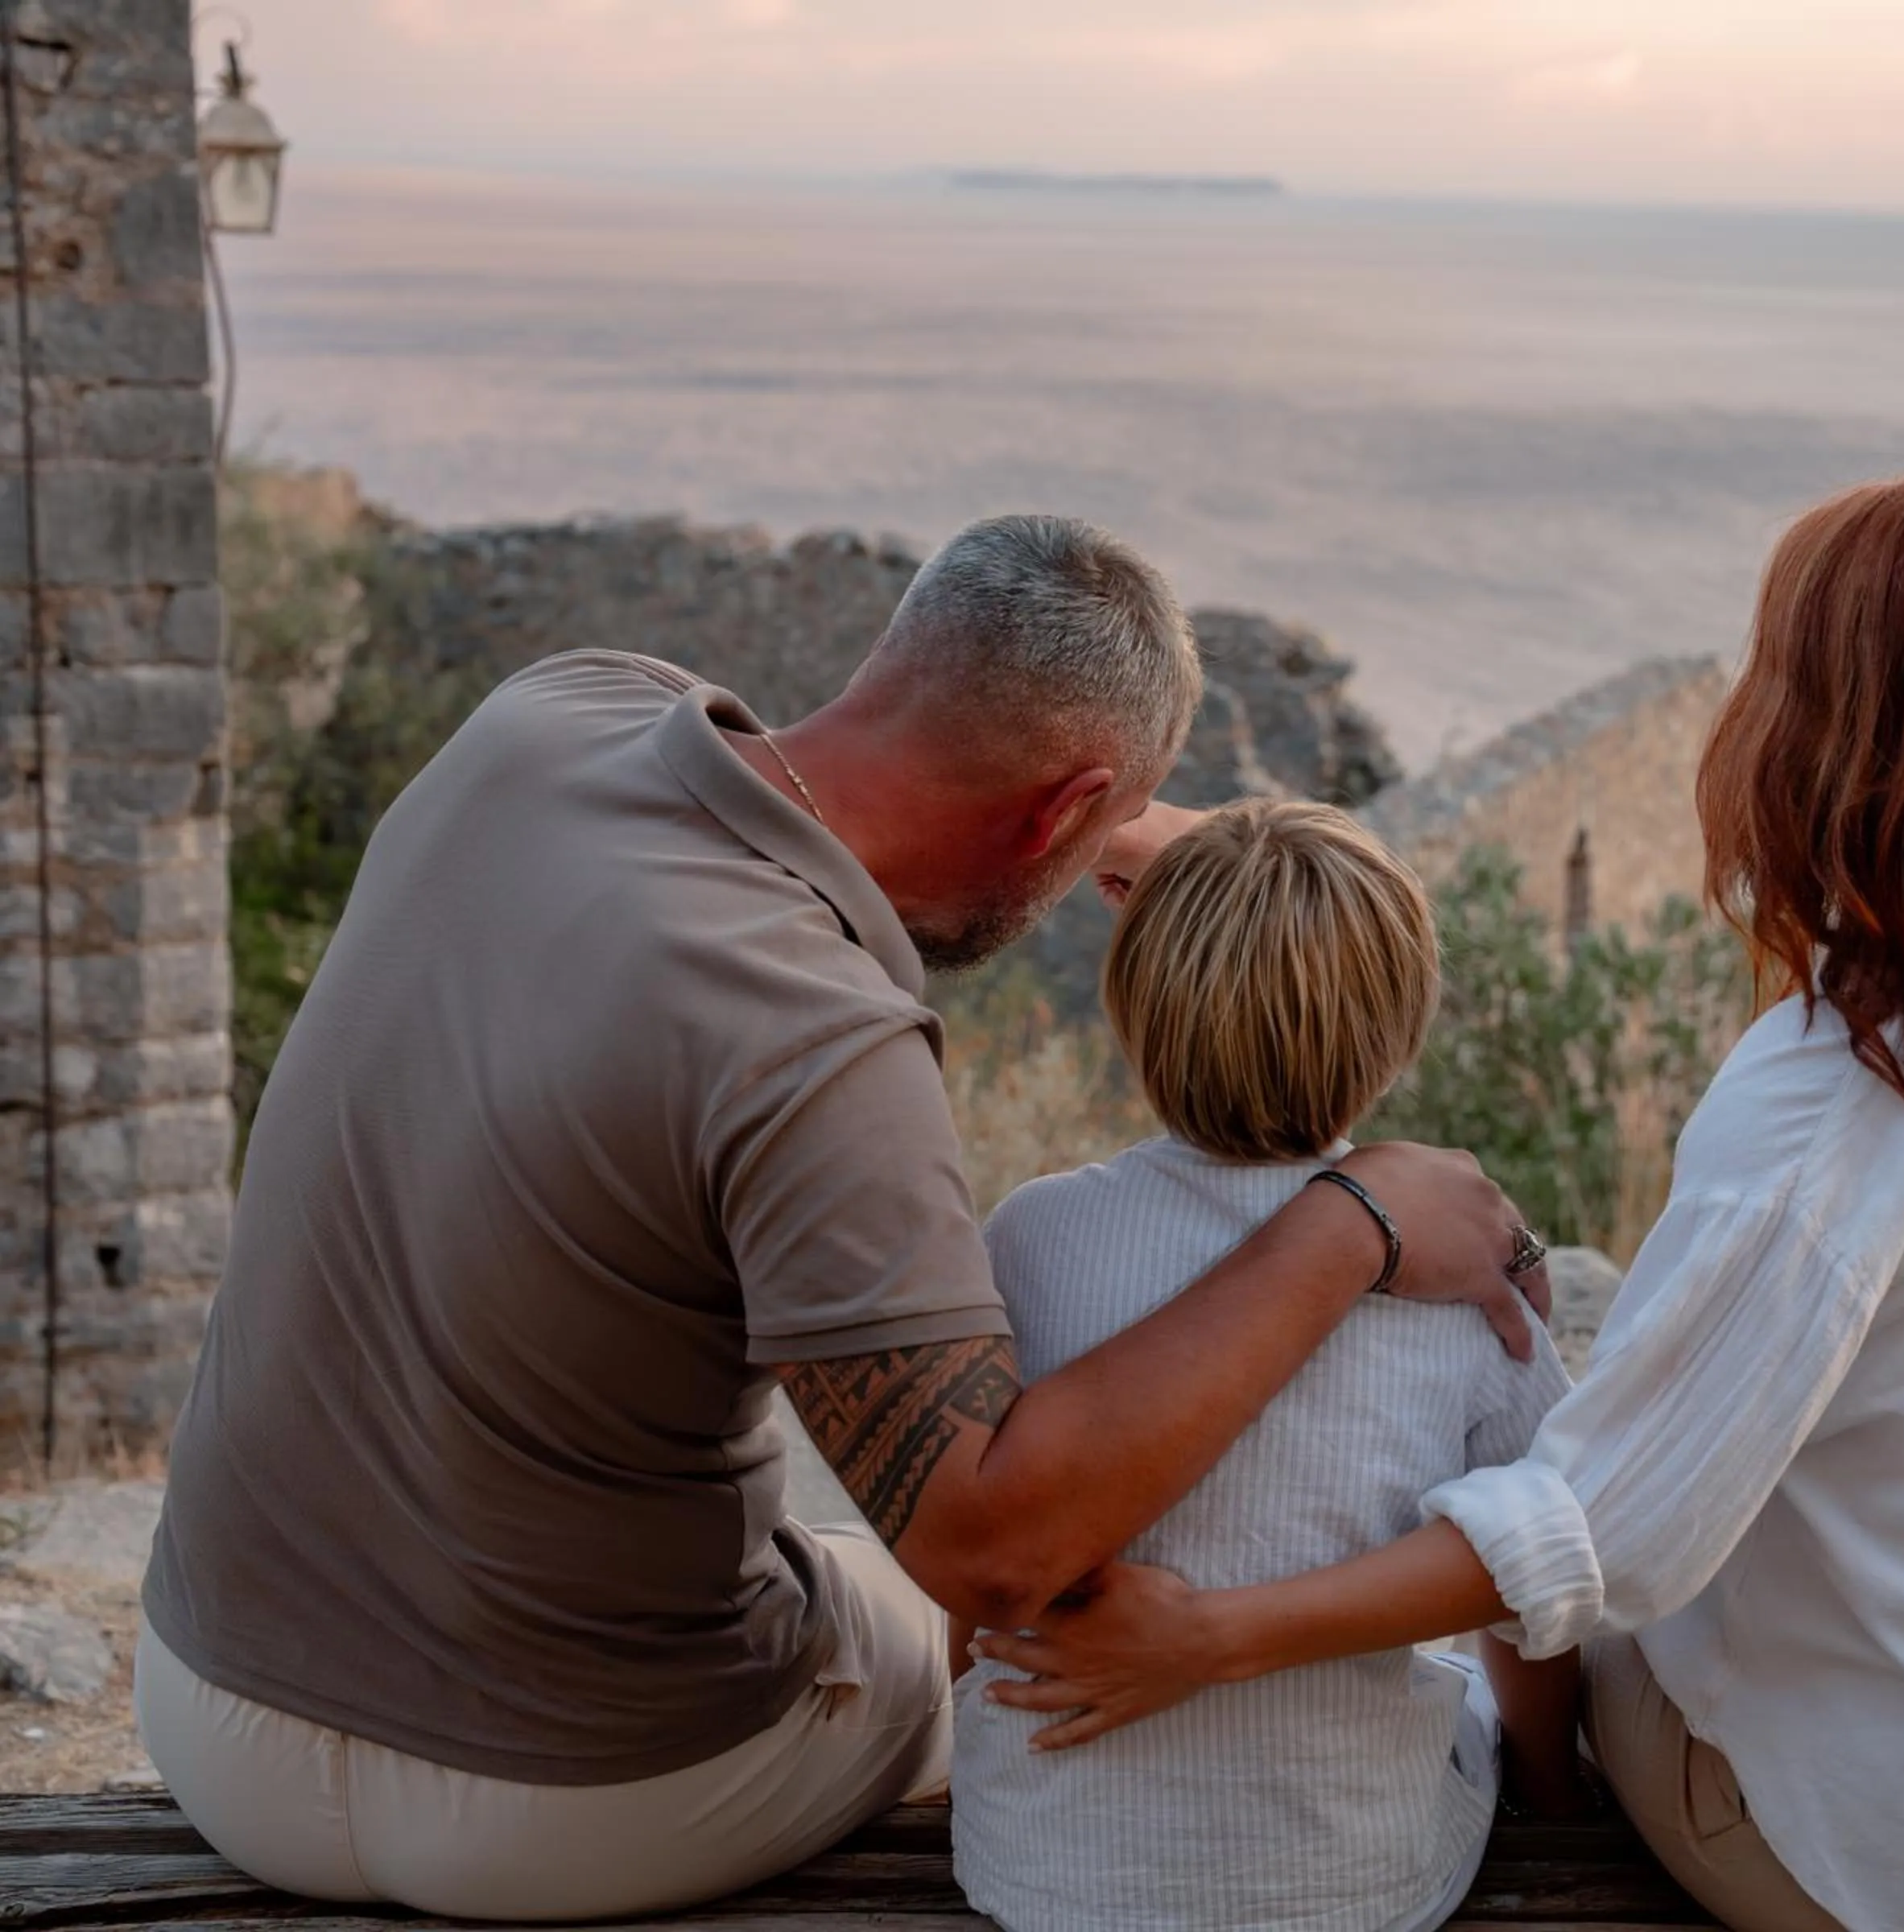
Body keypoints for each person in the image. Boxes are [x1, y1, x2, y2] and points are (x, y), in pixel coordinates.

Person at [135, 514, 1551, 1922]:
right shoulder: (821, 1041)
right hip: (563, 1804)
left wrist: (1201, 849)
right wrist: (1350, 1218)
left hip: (215, 1704)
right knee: (950, 1624)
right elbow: (996, 1555)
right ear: (1071, 813)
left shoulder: (552, 714)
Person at [977, 476, 1904, 1932]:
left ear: (1828, 737)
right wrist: (1230, 875)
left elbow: (1593, 1539)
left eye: (1776, 672)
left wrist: (1207, 1640)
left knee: (1575, 1636)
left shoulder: (1834, 1096)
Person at [951, 800, 1589, 1932]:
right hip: (1345, 1889)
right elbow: (1535, 1582)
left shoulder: (1027, 1239)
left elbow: (974, 1569)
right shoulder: (1459, 1289)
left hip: (1036, 1877)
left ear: (1131, 1011)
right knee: (1463, 1704)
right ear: (1398, 1036)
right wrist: (1547, 1787)